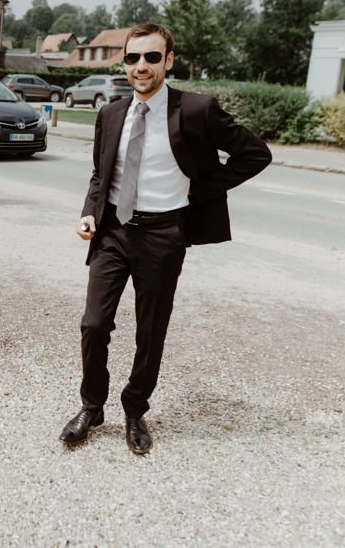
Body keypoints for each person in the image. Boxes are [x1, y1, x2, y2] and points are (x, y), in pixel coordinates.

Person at [59, 23, 272, 454]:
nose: (142, 66)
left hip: (163, 234)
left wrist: (201, 189)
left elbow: (255, 153)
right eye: (133, 57)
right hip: (113, 233)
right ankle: (92, 404)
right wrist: (88, 212)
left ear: (169, 60)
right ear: (124, 62)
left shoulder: (196, 110)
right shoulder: (111, 113)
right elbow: (101, 174)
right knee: (94, 324)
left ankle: (135, 409)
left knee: (150, 330)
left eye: (152, 57)